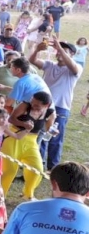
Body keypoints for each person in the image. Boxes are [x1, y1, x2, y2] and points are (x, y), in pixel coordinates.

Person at [29, 37, 81, 170]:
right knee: (40, 136)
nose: (59, 52)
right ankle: (38, 167)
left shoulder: (75, 68)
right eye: (58, 50)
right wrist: (37, 50)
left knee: (55, 139)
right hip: (44, 106)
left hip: (61, 108)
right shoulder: (50, 65)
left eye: (63, 50)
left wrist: (59, 47)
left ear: (72, 54)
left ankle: (53, 168)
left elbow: (74, 68)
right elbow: (32, 61)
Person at [1, 90, 55, 200]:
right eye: (32, 102)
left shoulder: (50, 113)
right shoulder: (25, 105)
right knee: (10, 169)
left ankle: (28, 194)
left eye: (37, 105)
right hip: (14, 137)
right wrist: (23, 124)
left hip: (31, 141)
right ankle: (1, 195)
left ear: (47, 105)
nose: (33, 106)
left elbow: (49, 129)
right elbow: (11, 119)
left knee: (37, 169)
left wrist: (53, 132)